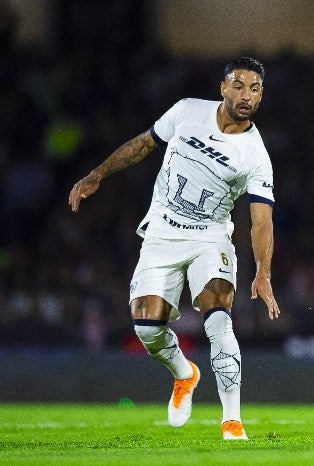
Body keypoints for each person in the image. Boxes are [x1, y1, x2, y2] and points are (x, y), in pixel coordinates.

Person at [68, 57, 280, 440]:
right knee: (147, 327)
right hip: (162, 235)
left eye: (254, 89)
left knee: (218, 315)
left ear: (261, 95)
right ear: (223, 87)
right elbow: (142, 145)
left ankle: (231, 420)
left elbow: (262, 219)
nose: (245, 95)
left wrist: (263, 272)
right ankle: (185, 373)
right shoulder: (187, 111)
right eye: (238, 85)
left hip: (210, 237)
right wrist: (97, 174)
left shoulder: (255, 154)